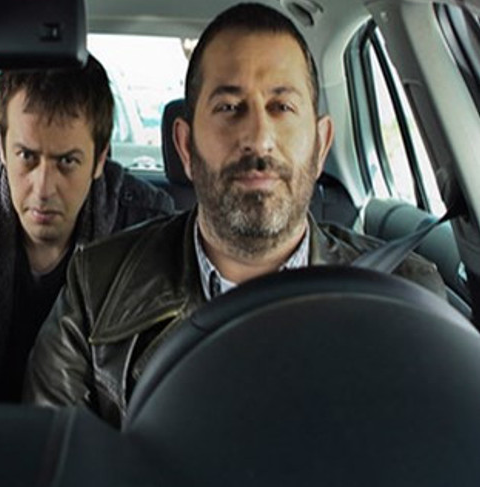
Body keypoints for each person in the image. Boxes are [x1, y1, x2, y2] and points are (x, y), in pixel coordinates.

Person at [22, 3, 446, 428]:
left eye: (281, 107)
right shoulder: (96, 291)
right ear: (185, 147)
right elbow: (54, 457)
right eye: (229, 107)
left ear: (320, 145)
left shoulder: (405, 294)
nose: (258, 138)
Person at [0, 56, 175, 401]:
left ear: (100, 159)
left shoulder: (143, 230)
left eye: (67, 162)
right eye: (26, 156)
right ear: (2, 147)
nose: (43, 188)